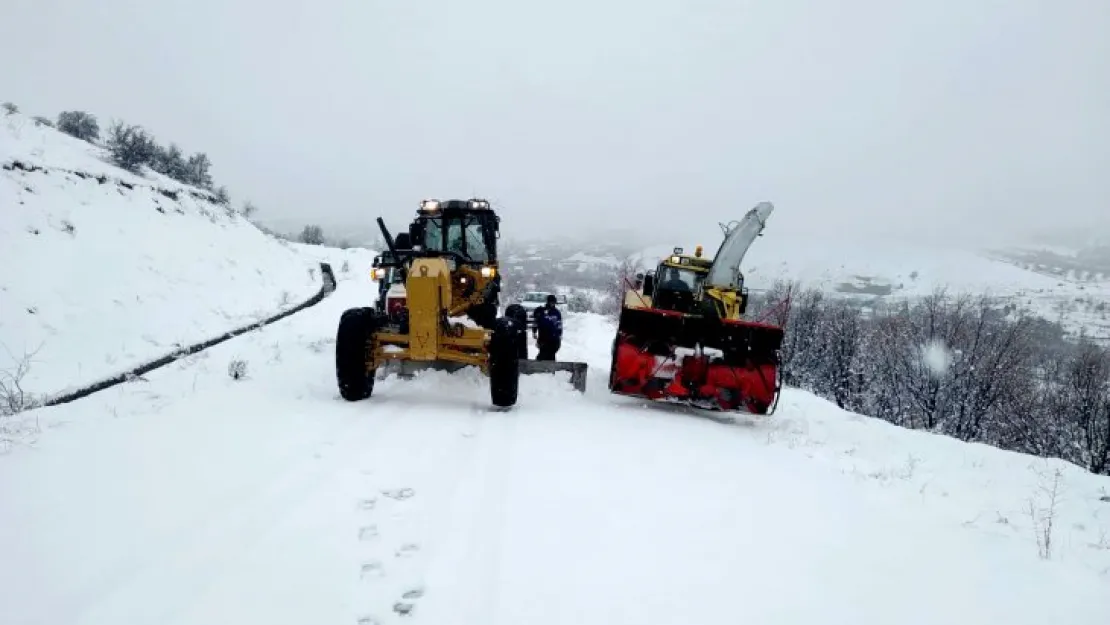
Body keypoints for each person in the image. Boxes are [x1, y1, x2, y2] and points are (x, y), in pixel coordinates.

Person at [532, 294, 563, 361]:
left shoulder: (557, 312)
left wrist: (560, 334)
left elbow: (559, 324)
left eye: (554, 302)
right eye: (551, 302)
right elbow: (535, 322)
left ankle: (550, 369)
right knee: (542, 354)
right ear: (548, 302)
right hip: (543, 337)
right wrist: (534, 331)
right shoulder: (541, 311)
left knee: (551, 355)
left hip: (554, 338)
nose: (552, 304)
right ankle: (538, 368)